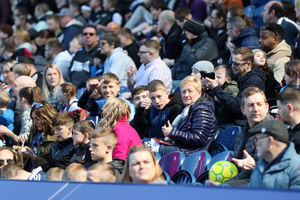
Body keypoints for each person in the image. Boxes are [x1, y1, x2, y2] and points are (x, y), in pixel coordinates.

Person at [206, 47, 266, 120]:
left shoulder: (254, 81)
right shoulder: (235, 75)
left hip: (243, 121)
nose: (233, 66)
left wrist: (216, 88)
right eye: (232, 62)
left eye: (237, 64)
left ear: (249, 64)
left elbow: (238, 107)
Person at [162, 76, 217, 155]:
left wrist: (172, 133)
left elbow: (198, 138)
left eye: (190, 91)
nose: (186, 95)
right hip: (183, 148)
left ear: (199, 93)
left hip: (193, 154)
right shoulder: (187, 108)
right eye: (183, 92)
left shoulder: (202, 110)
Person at [248, 119, 300, 189]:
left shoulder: (296, 167)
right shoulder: (260, 165)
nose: (256, 144)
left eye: (258, 139)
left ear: (270, 141)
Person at [22, 101, 57, 171]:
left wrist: (34, 157)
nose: (35, 122)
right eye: (33, 119)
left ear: (46, 118)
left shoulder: (56, 137)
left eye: (37, 119)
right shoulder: (34, 131)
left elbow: (51, 166)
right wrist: (23, 142)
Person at [69, 25, 99, 94]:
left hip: (88, 91)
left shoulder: (100, 54)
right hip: (72, 89)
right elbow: (70, 71)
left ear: (97, 37)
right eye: (85, 34)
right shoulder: (78, 53)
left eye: (91, 34)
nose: (87, 36)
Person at [277, 88, 300, 153]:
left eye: (279, 108)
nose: (278, 112)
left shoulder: (296, 141)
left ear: (289, 108)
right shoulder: (289, 133)